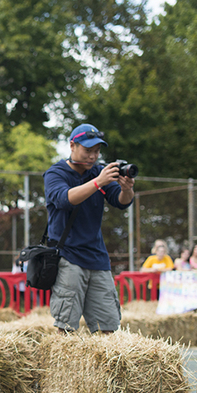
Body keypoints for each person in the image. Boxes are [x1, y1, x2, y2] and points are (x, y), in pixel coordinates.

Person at [43, 123, 135, 334]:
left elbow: (121, 202)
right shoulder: (55, 173)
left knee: (109, 327)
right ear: (72, 146)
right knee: (65, 327)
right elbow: (64, 199)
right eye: (88, 150)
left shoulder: (98, 173)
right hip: (69, 257)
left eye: (97, 151)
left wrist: (127, 188)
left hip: (98, 259)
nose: (93, 156)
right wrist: (98, 182)